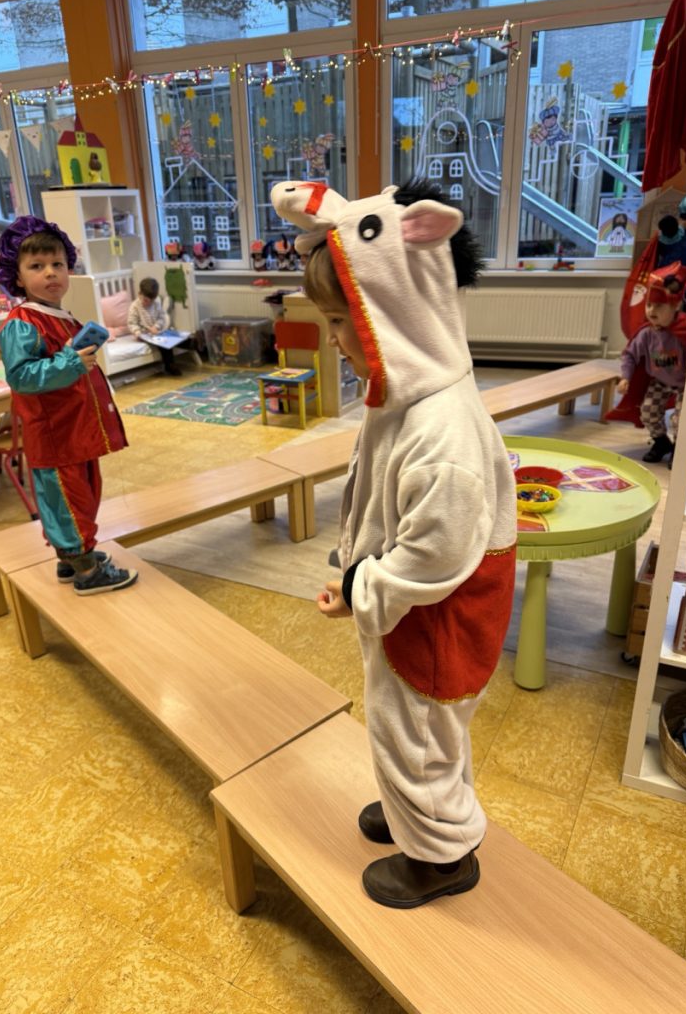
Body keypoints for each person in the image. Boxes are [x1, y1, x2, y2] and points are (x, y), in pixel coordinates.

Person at [272, 178, 518, 910]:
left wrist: (362, 587)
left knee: (415, 731)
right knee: (416, 727)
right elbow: (385, 499)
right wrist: (355, 570)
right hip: (414, 607)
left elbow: (434, 552)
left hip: (435, 619)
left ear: (396, 312)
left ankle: (441, 855)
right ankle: (419, 812)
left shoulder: (443, 433)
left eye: (343, 320)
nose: (333, 338)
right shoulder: (405, 397)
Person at [0, 215, 138, 595]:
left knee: (82, 496)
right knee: (67, 499)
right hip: (55, 436)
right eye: (36, 266)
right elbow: (21, 376)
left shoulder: (60, 317)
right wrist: (71, 362)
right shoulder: (22, 323)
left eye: (57, 264)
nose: (50, 273)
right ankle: (87, 571)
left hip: (75, 431)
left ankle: (71, 558)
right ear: (17, 275)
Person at [615, 262, 686, 464]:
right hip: (660, 381)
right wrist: (625, 377)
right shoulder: (647, 333)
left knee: (681, 420)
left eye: (659, 306)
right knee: (648, 412)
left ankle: (679, 450)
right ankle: (661, 442)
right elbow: (630, 355)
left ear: (675, 306)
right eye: (649, 305)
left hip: (685, 384)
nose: (651, 310)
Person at [127, 277, 182, 376]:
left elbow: (161, 318)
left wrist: (156, 327)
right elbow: (132, 323)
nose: (148, 303)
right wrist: (138, 333)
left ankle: (193, 344)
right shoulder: (134, 306)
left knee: (173, 337)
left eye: (151, 301)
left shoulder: (156, 303)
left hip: (156, 332)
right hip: (144, 334)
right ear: (139, 294)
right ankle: (170, 366)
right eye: (145, 300)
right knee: (164, 345)